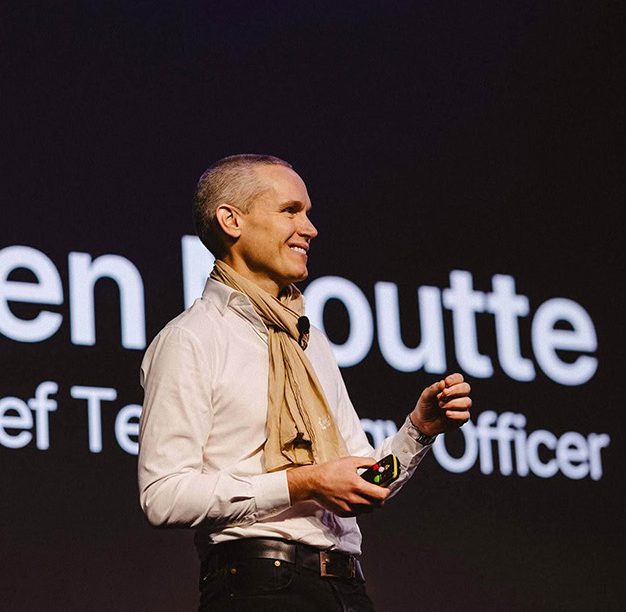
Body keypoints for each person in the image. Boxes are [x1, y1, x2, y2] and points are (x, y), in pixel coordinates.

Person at [138, 154, 472, 611]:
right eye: (290, 211)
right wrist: (301, 483)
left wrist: (419, 430)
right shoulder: (191, 339)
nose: (310, 228)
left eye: (308, 213)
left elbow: (362, 477)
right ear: (231, 220)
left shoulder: (307, 339)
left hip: (346, 589)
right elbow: (164, 496)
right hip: (258, 587)